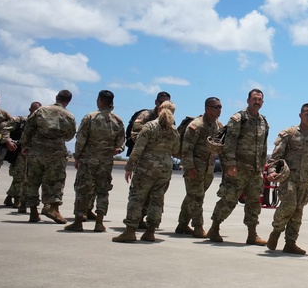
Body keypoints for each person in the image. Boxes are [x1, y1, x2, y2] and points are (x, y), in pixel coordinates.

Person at [207, 89, 270, 245]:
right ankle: (214, 228)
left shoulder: (263, 122)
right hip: (238, 169)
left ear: (262, 102)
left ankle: (252, 234)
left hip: (255, 170)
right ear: (248, 100)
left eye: (259, 99)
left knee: (254, 203)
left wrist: (262, 167)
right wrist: (231, 164)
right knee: (229, 199)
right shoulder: (238, 118)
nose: (257, 101)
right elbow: (229, 143)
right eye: (254, 98)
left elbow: (263, 147)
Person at [264, 103, 308, 254]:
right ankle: (276, 231)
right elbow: (276, 156)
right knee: (289, 205)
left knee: (298, 210)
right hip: (289, 178)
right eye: (307, 114)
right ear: (300, 115)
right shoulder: (289, 133)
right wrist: (272, 171)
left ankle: (291, 242)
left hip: (305, 181)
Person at [113, 101, 179, 243]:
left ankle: (130, 230)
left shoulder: (150, 126)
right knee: (157, 199)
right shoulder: (173, 130)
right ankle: (150, 231)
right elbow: (176, 150)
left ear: (159, 109)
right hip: (165, 168)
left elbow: (138, 148)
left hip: (147, 166)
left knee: (137, 197)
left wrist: (129, 166)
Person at [67, 90, 125, 233]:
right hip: (105, 162)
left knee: (82, 190)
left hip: (88, 161)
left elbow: (80, 140)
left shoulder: (90, 118)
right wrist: (110, 151)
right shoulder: (117, 120)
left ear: (99, 100)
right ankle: (99, 222)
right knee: (103, 191)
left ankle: (78, 222)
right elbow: (121, 145)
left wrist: (77, 157)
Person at [20, 90, 77, 223]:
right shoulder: (69, 116)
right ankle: (52, 208)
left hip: (36, 150)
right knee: (55, 181)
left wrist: (25, 146)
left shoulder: (41, 111)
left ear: (56, 97)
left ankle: (33, 212)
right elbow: (69, 136)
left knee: (32, 181)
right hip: (56, 153)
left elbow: (28, 128)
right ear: (68, 101)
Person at [176, 97, 224, 238]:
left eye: (220, 107)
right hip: (195, 167)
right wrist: (189, 167)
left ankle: (182, 224)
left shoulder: (219, 126)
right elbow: (186, 148)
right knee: (197, 197)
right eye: (216, 107)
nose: (219, 110)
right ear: (207, 108)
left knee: (193, 196)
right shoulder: (196, 125)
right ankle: (198, 226)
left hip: (208, 168)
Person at [0, 102, 42, 208]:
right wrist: (8, 141)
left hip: (32, 154)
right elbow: (5, 129)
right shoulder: (20, 121)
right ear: (30, 109)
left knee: (27, 178)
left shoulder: (40, 124)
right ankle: (18, 199)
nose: (36, 113)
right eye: (34, 110)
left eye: (38, 111)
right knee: (19, 177)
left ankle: (10, 197)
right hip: (18, 153)